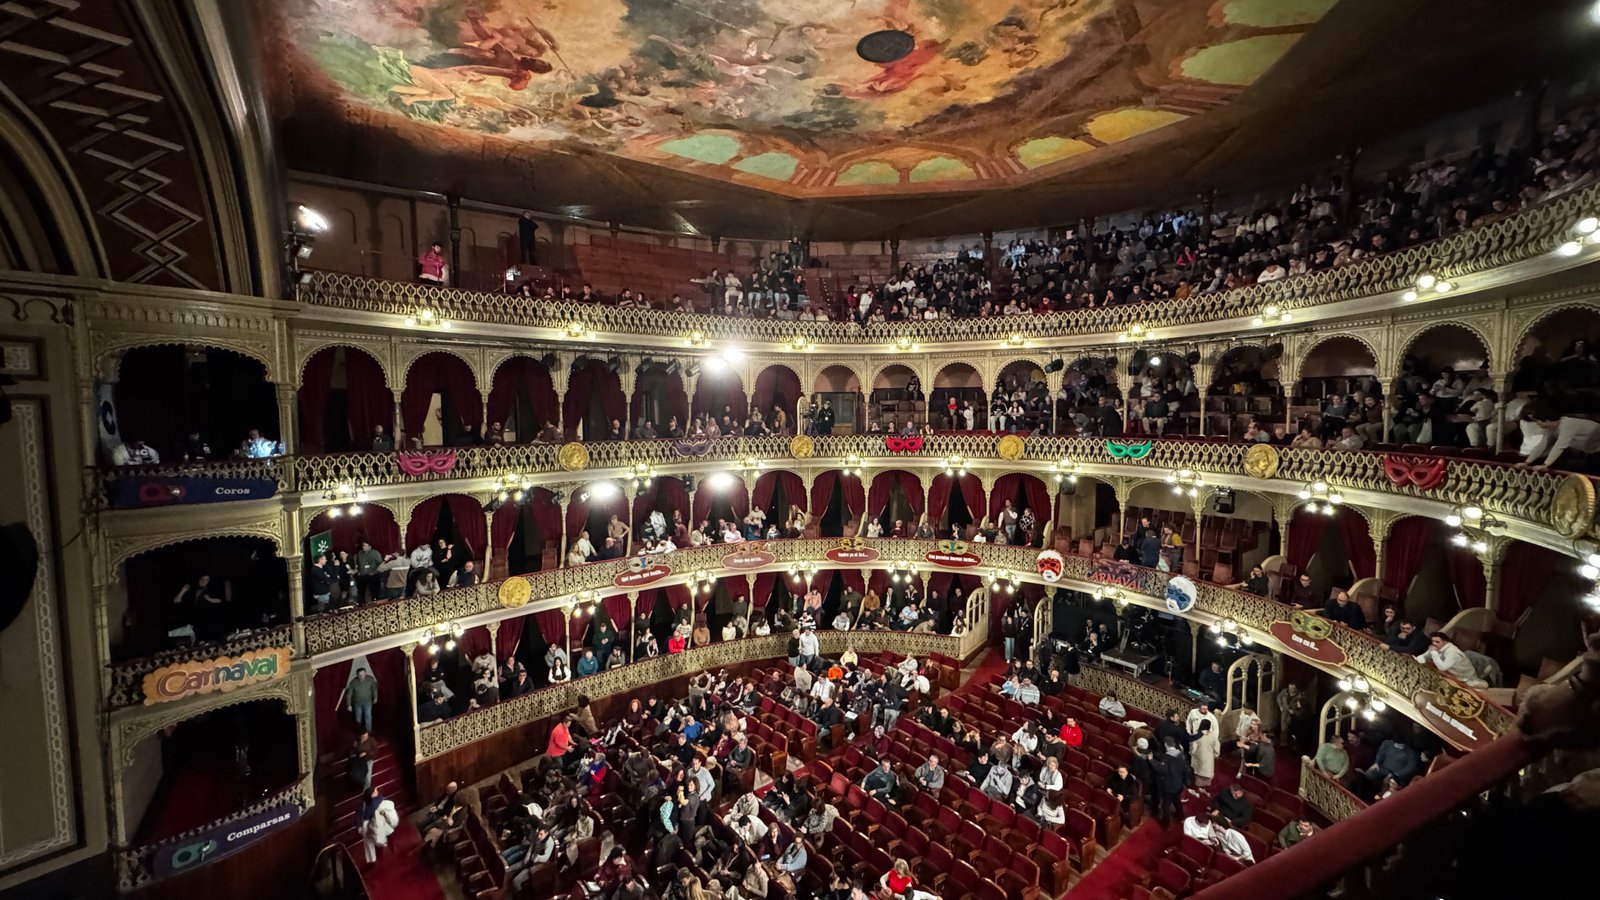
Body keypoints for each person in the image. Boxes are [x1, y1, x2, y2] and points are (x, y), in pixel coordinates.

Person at [1416, 631, 1485, 685]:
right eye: (1433, 641)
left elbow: (1442, 667)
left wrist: (1434, 653)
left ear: (1445, 642)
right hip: (1449, 675)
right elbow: (1424, 656)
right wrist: (1421, 659)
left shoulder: (1452, 652)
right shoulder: (1435, 647)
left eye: (1437, 642)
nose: (1434, 643)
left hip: (1464, 679)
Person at [359, 786, 399, 864]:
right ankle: (393, 852)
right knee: (387, 839)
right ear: (372, 795)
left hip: (375, 826)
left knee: (376, 844)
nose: (377, 792)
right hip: (382, 825)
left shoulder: (366, 807)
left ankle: (377, 860)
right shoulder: (378, 802)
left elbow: (364, 819)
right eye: (375, 791)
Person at [345, 667, 378, 733]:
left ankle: (368, 732)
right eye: (360, 675)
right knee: (358, 718)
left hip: (368, 702)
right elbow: (349, 694)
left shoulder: (370, 679)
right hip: (357, 703)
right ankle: (359, 733)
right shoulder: (353, 682)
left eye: (363, 674)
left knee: (368, 717)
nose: (362, 676)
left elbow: (374, 689)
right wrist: (349, 705)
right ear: (357, 675)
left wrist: (375, 697)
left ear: (365, 673)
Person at [1190, 719, 1221, 788]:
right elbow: (1217, 748)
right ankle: (1206, 788)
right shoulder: (1213, 736)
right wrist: (1216, 754)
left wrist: (1192, 754)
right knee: (1207, 774)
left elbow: (1193, 749)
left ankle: (1198, 787)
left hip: (1198, 759)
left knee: (1199, 774)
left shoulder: (1197, 736)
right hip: (1208, 759)